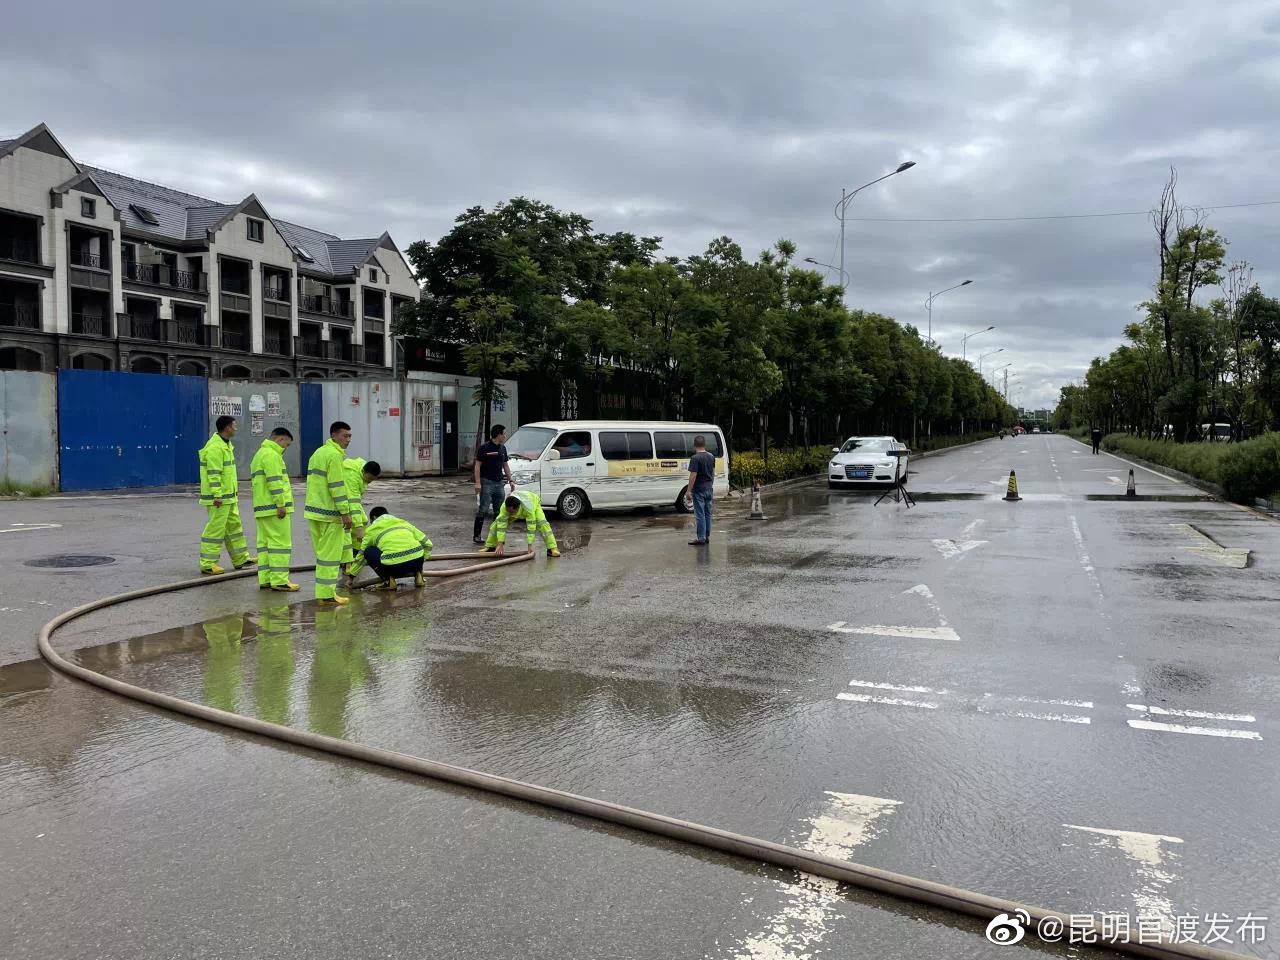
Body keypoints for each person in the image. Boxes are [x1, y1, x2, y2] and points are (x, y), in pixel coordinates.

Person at [198, 415, 255, 575]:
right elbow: (213, 474)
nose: (236, 429)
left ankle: (240, 558)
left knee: (233, 528)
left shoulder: (225, 445)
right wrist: (217, 495)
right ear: (227, 427)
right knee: (215, 530)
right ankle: (208, 564)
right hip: (219, 498)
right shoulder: (215, 447)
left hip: (228, 497)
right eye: (234, 426)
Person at [304, 421, 354, 605]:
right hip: (330, 514)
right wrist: (345, 512)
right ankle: (326, 595)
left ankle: (323, 593)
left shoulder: (318, 453)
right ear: (334, 435)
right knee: (330, 558)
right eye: (344, 436)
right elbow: (337, 486)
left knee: (322, 555)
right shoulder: (334, 456)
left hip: (314, 512)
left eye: (350, 436)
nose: (348, 440)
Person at [250, 427, 298, 591]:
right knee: (280, 544)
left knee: (265, 545)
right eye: (287, 445)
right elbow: (275, 482)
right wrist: (281, 504)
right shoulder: (272, 456)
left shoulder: (259, 455)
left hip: (262, 508)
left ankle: (266, 579)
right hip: (274, 508)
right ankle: (280, 580)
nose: (286, 449)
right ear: (281, 440)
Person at [348, 506, 431, 590]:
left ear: (374, 518)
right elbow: (428, 544)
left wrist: (351, 576)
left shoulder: (371, 530)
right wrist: (422, 560)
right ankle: (418, 575)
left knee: (368, 551)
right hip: (416, 563)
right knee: (415, 550)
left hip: (394, 567)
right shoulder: (404, 523)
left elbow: (361, 555)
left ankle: (388, 581)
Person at [484, 490, 560, 557]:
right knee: (496, 524)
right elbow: (501, 526)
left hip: (534, 502)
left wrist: (530, 546)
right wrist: (500, 544)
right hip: (518, 505)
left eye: (511, 512)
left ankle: (552, 548)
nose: (509, 513)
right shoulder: (504, 508)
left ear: (517, 508)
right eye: (508, 511)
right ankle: (491, 546)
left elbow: (531, 528)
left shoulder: (529, 508)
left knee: (542, 524)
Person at [473, 424, 515, 545]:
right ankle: (477, 536)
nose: (505, 436)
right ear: (499, 434)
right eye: (504, 434)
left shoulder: (503, 448)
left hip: (499, 483)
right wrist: (478, 483)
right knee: (484, 509)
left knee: (499, 511)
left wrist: (511, 479)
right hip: (486, 482)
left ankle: (497, 536)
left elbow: (505, 465)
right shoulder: (484, 448)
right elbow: (477, 465)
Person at [341, 457, 381, 574]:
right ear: (363, 472)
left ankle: (355, 557)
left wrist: (360, 525)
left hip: (349, 499)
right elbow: (353, 502)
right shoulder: (352, 476)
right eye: (368, 479)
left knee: (363, 521)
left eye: (372, 480)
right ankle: (347, 562)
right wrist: (358, 527)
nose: (369, 482)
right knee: (348, 528)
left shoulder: (363, 469)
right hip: (340, 501)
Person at [686, 434, 717, 546]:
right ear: (704, 444)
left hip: (699, 490)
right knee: (708, 514)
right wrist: (711, 484)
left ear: (695, 445)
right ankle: (707, 536)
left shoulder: (695, 458)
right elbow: (713, 473)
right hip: (709, 488)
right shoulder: (711, 456)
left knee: (700, 515)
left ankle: (701, 538)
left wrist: (689, 490)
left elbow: (693, 475)